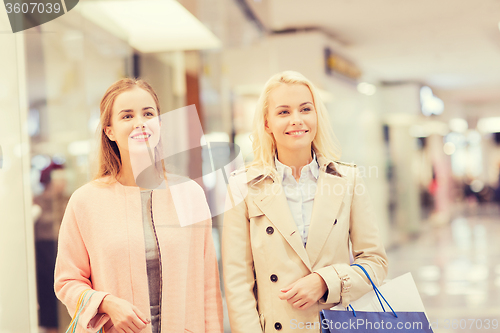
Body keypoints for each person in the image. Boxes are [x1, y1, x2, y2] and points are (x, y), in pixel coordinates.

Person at [222, 71, 388, 332]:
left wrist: (325, 281)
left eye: (305, 109)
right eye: (284, 112)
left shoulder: (347, 179)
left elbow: (375, 262)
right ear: (267, 123)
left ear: (317, 116)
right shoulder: (243, 186)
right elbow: (237, 283)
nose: (296, 120)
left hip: (336, 324)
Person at [54, 78, 223, 333]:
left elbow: (208, 285)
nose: (140, 122)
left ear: (160, 124)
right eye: (127, 116)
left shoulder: (190, 195)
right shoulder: (84, 202)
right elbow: (67, 281)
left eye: (148, 113)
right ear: (109, 130)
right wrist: (106, 303)